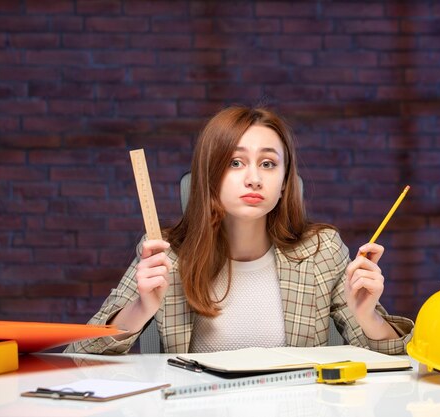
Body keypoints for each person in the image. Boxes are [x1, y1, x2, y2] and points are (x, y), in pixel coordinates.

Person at [66, 105, 413, 355]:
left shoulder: (321, 249)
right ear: (209, 175)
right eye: (235, 162)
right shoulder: (166, 251)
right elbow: (82, 351)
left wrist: (367, 317)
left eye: (268, 163)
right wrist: (141, 308)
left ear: (283, 184)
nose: (254, 178)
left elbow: (392, 361)